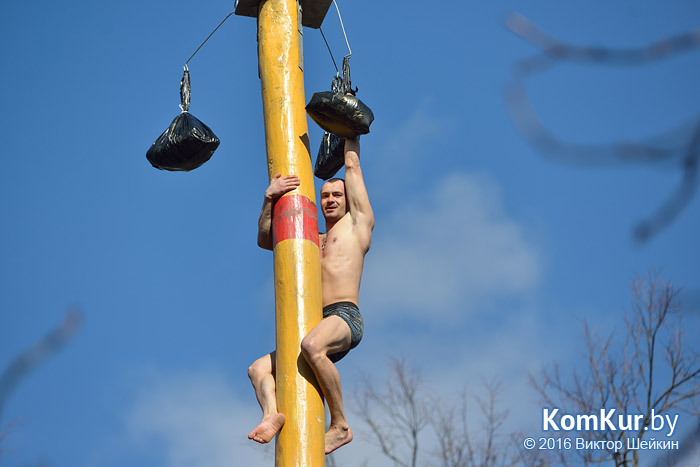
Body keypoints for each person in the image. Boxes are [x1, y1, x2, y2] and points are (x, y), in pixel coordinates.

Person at [247, 136, 374, 455]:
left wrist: (350, 134)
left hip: (344, 317)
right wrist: (269, 198)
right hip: (313, 322)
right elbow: (266, 240)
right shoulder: (312, 240)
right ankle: (270, 414)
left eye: (337, 195)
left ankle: (341, 424)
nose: (330, 200)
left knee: (312, 345)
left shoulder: (357, 226)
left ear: (348, 201)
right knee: (258, 369)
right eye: (325, 195)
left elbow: (352, 166)